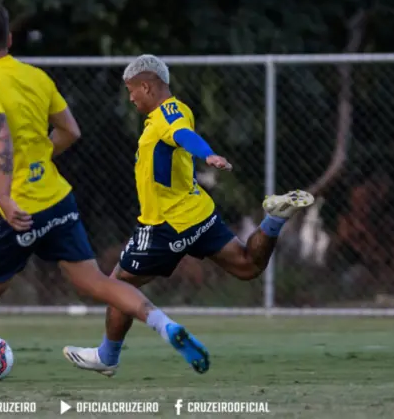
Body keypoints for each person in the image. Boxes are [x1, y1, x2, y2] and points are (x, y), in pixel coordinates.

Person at [0, 3, 209, 407]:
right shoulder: (37, 77)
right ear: (10, 38)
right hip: (56, 198)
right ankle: (165, 324)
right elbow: (70, 130)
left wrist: (4, 194)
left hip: (13, 208)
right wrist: (39, 160)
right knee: (97, 282)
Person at [62, 54, 315, 377]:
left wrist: (207, 153)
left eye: (131, 90)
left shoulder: (169, 113)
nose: (130, 97)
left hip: (164, 225)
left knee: (117, 286)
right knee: (248, 265)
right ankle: (276, 218)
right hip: (196, 214)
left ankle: (107, 357)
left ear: (146, 86)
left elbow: (182, 134)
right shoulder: (169, 112)